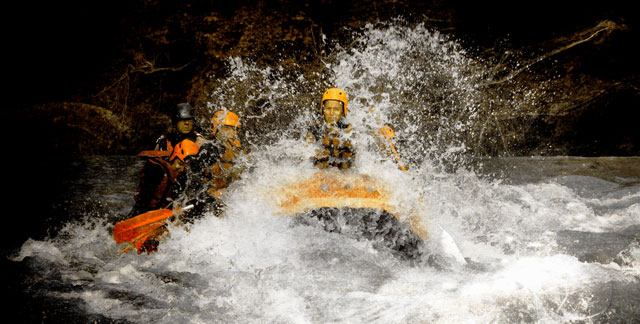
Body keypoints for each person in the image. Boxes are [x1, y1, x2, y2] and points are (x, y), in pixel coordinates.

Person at [129, 139, 200, 217]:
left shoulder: (184, 176)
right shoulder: (156, 169)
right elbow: (142, 201)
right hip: (144, 213)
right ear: (173, 157)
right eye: (180, 164)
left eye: (185, 167)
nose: (182, 169)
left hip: (164, 215)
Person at [305, 88, 355, 170]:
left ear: (343, 111)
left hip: (343, 174)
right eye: (328, 109)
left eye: (336, 109)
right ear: (323, 109)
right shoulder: (314, 130)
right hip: (320, 174)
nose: (332, 113)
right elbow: (305, 156)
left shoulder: (348, 131)